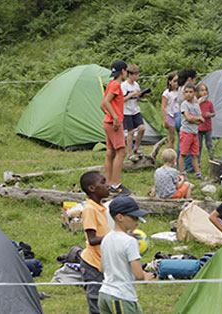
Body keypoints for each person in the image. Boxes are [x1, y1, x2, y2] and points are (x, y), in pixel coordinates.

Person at [98, 196, 155, 314]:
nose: (137, 221)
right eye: (134, 217)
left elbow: (101, 268)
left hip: (104, 294)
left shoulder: (106, 238)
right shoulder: (130, 242)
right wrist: (144, 277)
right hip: (122, 297)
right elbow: (138, 275)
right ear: (120, 217)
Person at [78, 171, 110, 314]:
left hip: (102, 262)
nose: (108, 186)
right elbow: (92, 240)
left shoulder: (101, 207)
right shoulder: (90, 209)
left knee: (105, 299)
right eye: (103, 183)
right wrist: (115, 237)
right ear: (92, 188)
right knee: (96, 301)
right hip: (92, 264)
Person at [100, 60, 132, 195]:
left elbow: (102, 105)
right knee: (121, 152)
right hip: (113, 124)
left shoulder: (111, 84)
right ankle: (115, 185)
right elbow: (106, 102)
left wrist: (109, 116)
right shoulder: (116, 85)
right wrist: (115, 117)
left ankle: (107, 183)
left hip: (108, 122)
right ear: (123, 71)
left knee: (110, 152)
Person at [121, 64, 147, 158]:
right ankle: (130, 153)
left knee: (142, 128)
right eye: (135, 74)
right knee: (130, 132)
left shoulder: (136, 85)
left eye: (137, 74)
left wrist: (141, 97)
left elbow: (136, 99)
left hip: (135, 110)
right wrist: (132, 94)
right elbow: (122, 99)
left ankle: (136, 148)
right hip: (127, 112)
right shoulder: (124, 86)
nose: (137, 76)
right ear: (129, 74)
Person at [179, 84, 204, 178]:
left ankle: (198, 174)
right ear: (183, 93)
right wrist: (196, 119)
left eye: (190, 92)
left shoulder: (196, 105)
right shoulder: (184, 104)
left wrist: (196, 119)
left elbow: (202, 120)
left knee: (195, 154)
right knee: (183, 154)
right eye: (186, 92)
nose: (188, 94)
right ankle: (181, 173)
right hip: (186, 132)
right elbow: (188, 118)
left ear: (195, 93)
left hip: (194, 133)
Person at [176, 69, 198, 171]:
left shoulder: (180, 88)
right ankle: (188, 168)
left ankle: (179, 165)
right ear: (190, 79)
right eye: (195, 79)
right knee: (188, 145)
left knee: (181, 144)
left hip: (179, 117)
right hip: (185, 118)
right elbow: (192, 104)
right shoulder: (187, 90)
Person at [197, 84, 215, 162]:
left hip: (208, 127)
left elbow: (214, 113)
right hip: (199, 127)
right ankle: (197, 162)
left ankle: (212, 159)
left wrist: (210, 115)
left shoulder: (209, 103)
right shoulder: (197, 103)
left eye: (205, 90)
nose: (204, 92)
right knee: (199, 145)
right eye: (202, 90)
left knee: (209, 144)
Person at [161, 72, 179, 149]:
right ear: (170, 82)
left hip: (179, 114)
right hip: (171, 116)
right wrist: (165, 119)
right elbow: (163, 107)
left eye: (178, 81)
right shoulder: (167, 93)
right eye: (174, 81)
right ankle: (170, 155)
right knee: (172, 138)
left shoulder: (181, 91)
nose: (176, 83)